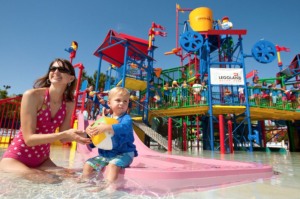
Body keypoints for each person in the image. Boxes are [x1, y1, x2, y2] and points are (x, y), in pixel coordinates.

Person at [0, 58, 91, 183]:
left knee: (75, 178)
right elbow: (29, 139)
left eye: (62, 69)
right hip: (16, 159)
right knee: (48, 180)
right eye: (53, 69)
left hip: (42, 160)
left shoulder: (69, 103)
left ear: (70, 79)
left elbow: (64, 138)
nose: (56, 71)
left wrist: (87, 134)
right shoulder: (32, 96)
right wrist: (65, 134)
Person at [79, 87, 138, 190]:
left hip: (124, 153)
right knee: (88, 164)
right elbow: (97, 137)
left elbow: (124, 128)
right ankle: (85, 182)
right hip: (106, 154)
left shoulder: (126, 119)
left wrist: (108, 127)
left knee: (113, 165)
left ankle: (108, 186)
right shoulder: (105, 119)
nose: (122, 103)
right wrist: (89, 131)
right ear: (109, 103)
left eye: (125, 101)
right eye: (118, 100)